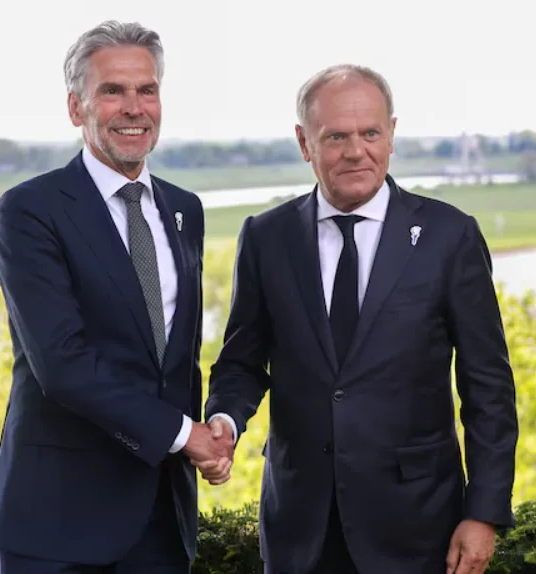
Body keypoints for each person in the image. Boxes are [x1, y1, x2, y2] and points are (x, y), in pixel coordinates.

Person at [202, 64, 519, 573]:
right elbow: (241, 362)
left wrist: (484, 512)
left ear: (391, 134)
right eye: (336, 137)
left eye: (370, 133)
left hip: (420, 527)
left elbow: (489, 389)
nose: (356, 151)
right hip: (299, 531)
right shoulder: (266, 237)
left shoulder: (449, 236)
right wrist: (224, 420)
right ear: (305, 143)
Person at [0, 20, 232, 574]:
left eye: (147, 90)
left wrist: (214, 432)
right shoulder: (30, 211)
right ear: (76, 107)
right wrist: (184, 435)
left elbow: (174, 360)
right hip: (58, 521)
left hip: (162, 520)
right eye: (113, 91)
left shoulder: (185, 210)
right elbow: (62, 364)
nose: (134, 108)